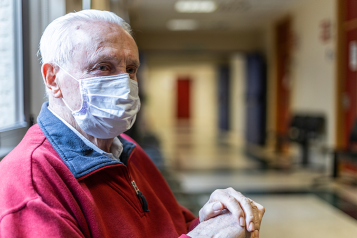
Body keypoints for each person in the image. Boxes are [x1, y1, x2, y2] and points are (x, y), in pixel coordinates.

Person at [0, 10, 265, 238]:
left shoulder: (126, 148)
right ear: (53, 79)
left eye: (130, 69)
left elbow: (174, 227)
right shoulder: (31, 184)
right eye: (103, 67)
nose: (124, 86)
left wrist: (211, 220)